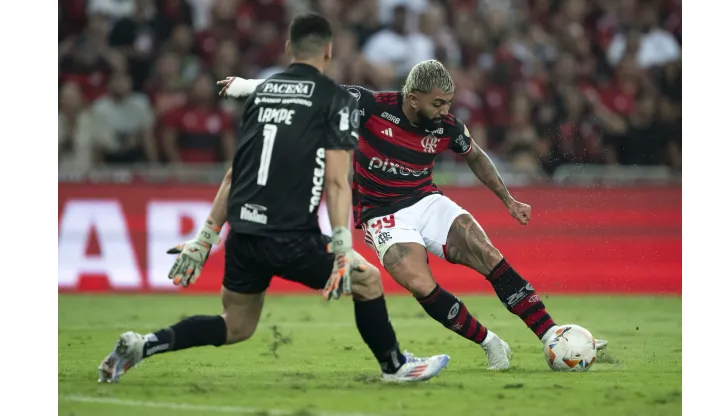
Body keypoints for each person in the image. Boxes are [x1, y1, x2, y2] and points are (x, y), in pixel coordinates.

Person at [97, 13, 450, 384]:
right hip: (291, 235)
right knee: (368, 281)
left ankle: (143, 345)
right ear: (328, 51)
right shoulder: (335, 100)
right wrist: (343, 246)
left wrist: (206, 239)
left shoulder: (260, 94)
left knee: (235, 325)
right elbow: (336, 181)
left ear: (287, 49)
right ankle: (394, 365)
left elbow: (235, 173)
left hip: (245, 233)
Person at [218, 60, 609, 371]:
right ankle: (491, 343)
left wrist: (506, 199)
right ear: (413, 97)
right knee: (421, 285)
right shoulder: (371, 105)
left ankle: (549, 334)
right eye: (437, 103)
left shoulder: (448, 126)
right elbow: (313, 94)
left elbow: (475, 154)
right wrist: (249, 86)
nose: (445, 111)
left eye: (449, 104)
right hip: (380, 213)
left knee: (488, 254)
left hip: (426, 200)